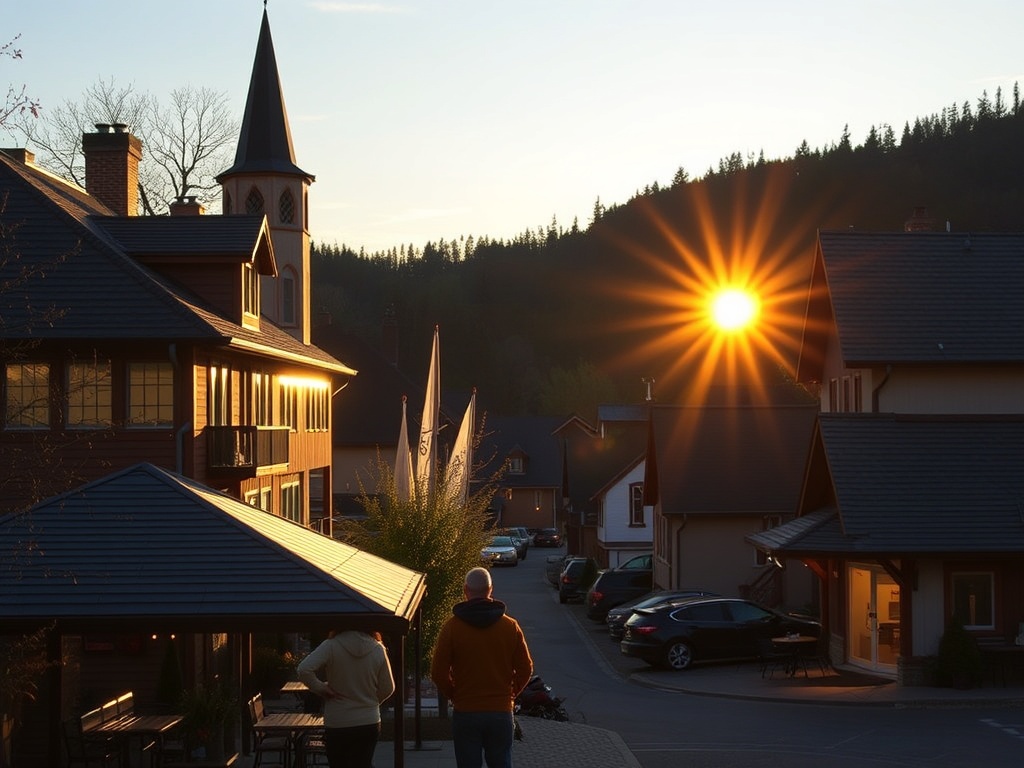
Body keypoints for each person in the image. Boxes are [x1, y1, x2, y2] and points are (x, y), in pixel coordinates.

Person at [430, 566, 534, 768]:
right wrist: (511, 693)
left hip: (466, 711)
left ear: (465, 590)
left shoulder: (452, 628)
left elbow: (438, 672)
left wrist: (455, 694)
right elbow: (526, 668)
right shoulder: (510, 626)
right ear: (490, 589)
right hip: (500, 711)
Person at [296, 630, 395, 768]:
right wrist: (370, 702)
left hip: (338, 720)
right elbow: (388, 688)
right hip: (368, 720)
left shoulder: (331, 646)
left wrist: (322, 689)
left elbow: (303, 670)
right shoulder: (378, 649)